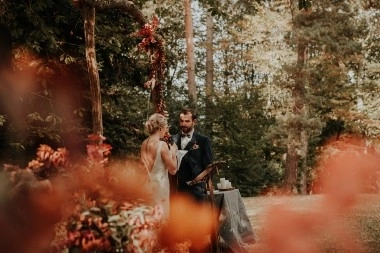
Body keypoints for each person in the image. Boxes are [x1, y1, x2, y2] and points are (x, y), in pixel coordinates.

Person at [140, 113, 178, 221]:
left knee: (149, 220)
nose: (166, 131)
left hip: (147, 186)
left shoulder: (144, 143)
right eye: (166, 128)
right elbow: (173, 170)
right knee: (161, 221)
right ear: (160, 128)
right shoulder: (162, 145)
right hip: (160, 188)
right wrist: (174, 152)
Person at [170, 108, 213, 202]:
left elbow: (209, 167)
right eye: (181, 121)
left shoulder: (203, 140)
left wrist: (199, 181)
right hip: (176, 189)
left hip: (196, 190)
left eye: (187, 121)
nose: (183, 124)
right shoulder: (173, 139)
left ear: (194, 122)